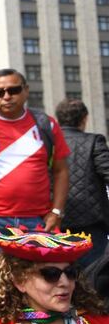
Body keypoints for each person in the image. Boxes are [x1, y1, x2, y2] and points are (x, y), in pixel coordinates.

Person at [0, 68, 70, 320]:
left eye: (13, 90)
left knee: (39, 288)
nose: (6, 96)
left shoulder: (45, 124)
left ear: (25, 91)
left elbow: (62, 170)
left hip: (38, 221)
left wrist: (56, 211)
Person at [55, 98, 109, 266]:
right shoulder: (94, 141)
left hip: (55, 221)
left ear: (58, 119)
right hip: (90, 223)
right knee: (93, 277)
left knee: (60, 274)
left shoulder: (48, 144)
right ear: (84, 118)